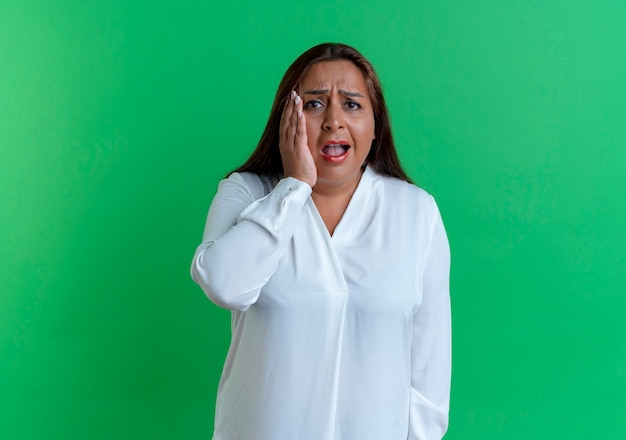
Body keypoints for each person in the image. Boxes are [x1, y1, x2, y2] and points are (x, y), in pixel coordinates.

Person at [190, 42, 451, 440]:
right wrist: (294, 188)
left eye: (351, 104)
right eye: (313, 104)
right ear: (286, 120)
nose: (333, 120)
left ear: (376, 125)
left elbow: (428, 376)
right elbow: (225, 285)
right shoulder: (245, 193)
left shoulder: (416, 213)